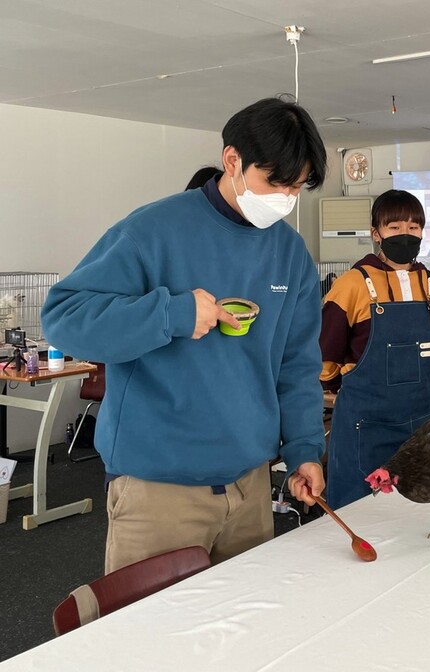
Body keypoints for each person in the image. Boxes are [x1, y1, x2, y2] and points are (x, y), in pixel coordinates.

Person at [40, 97, 328, 573]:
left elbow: (297, 366)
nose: (286, 199)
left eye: (297, 188)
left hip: (250, 482)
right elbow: (65, 318)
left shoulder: (290, 253)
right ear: (232, 160)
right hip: (159, 487)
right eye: (275, 183)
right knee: (150, 638)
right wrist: (169, 314)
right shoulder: (152, 230)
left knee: (246, 634)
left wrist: (303, 451)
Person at [321, 190, 430, 509]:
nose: (405, 234)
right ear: (376, 234)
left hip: (419, 423)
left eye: (413, 226)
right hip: (364, 426)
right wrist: (342, 387)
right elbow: (324, 355)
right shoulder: (352, 284)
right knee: (359, 513)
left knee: (414, 515)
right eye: (394, 227)